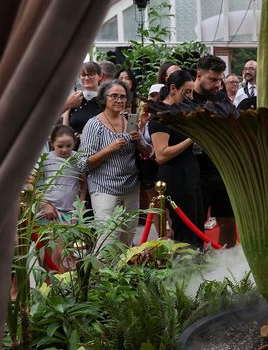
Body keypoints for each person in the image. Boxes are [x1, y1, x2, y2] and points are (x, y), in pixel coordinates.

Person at [78, 79, 150, 249]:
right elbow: (82, 163)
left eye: (123, 97)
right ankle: (102, 276)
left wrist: (139, 141)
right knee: (107, 243)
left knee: (126, 243)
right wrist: (110, 148)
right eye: (114, 96)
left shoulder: (129, 121)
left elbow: (148, 153)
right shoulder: (94, 125)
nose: (119, 100)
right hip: (104, 190)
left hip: (132, 188)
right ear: (104, 98)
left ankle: (122, 275)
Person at [148, 69, 204, 247]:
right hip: (175, 178)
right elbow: (161, 154)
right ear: (173, 88)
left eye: (190, 92)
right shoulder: (159, 116)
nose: (188, 96)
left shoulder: (183, 112)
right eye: (185, 92)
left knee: (197, 227)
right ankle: (183, 271)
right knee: (184, 232)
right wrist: (191, 138)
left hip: (191, 175)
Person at [191, 55, 237, 247]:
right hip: (195, 172)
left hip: (221, 170)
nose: (217, 84)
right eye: (212, 80)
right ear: (199, 75)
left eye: (220, 80)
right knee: (194, 224)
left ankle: (228, 268)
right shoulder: (187, 98)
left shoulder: (220, 97)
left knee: (228, 221)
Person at [35, 125, 85, 271]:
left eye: (68, 146)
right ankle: (49, 286)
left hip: (70, 211)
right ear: (52, 144)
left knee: (64, 252)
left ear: (74, 143)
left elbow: (82, 181)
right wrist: (45, 204)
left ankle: (62, 286)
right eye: (60, 146)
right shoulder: (45, 159)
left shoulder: (76, 158)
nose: (64, 150)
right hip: (49, 212)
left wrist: (80, 201)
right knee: (48, 254)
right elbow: (32, 185)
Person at [63, 62, 103, 147]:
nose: (87, 78)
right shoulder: (73, 99)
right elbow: (65, 129)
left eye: (91, 74)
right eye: (83, 75)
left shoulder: (105, 100)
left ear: (100, 76)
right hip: (75, 151)